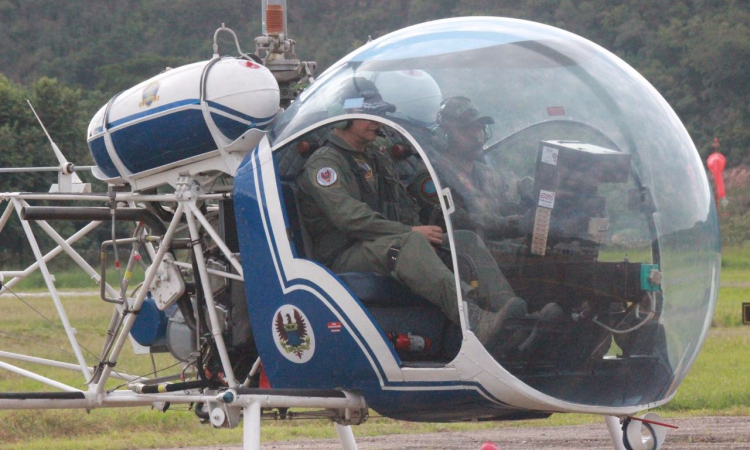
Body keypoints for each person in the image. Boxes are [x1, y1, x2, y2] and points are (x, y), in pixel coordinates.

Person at [295, 77, 526, 351]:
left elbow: (403, 206)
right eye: (368, 114)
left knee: (462, 239)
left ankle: (514, 320)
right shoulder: (325, 164)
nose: (376, 121)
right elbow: (350, 219)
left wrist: (425, 230)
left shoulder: (374, 156)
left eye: (378, 113)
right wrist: (410, 233)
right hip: (348, 255)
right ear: (344, 117)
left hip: (382, 245)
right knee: (411, 244)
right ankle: (474, 319)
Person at [428, 96, 535, 239]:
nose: (477, 137)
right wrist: (518, 224)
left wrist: (529, 200)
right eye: (466, 130)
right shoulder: (433, 176)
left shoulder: (488, 174)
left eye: (479, 128)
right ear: (443, 136)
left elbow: (506, 210)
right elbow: (463, 224)